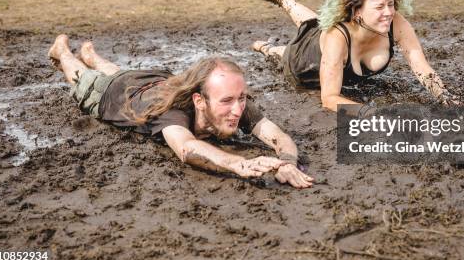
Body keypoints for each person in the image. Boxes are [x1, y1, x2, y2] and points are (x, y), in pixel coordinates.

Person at [47, 35, 313, 189]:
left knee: (122, 74)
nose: (237, 109)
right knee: (83, 78)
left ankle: (92, 56)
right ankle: (64, 51)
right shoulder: (173, 111)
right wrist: (240, 164)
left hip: (150, 79)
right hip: (109, 95)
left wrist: (287, 162)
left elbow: (277, 135)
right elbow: (187, 148)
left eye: (241, 98)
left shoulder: (231, 99)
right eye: (228, 101)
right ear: (199, 101)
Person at [252, 0, 458, 112]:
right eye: (379, 7)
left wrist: (446, 98)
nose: (388, 12)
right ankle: (266, 46)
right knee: (288, 50)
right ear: (357, 11)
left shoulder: (396, 23)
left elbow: (422, 67)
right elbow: (329, 98)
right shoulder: (337, 38)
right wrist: (370, 114)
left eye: (391, 4)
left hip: (325, 38)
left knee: (313, 22)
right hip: (303, 62)